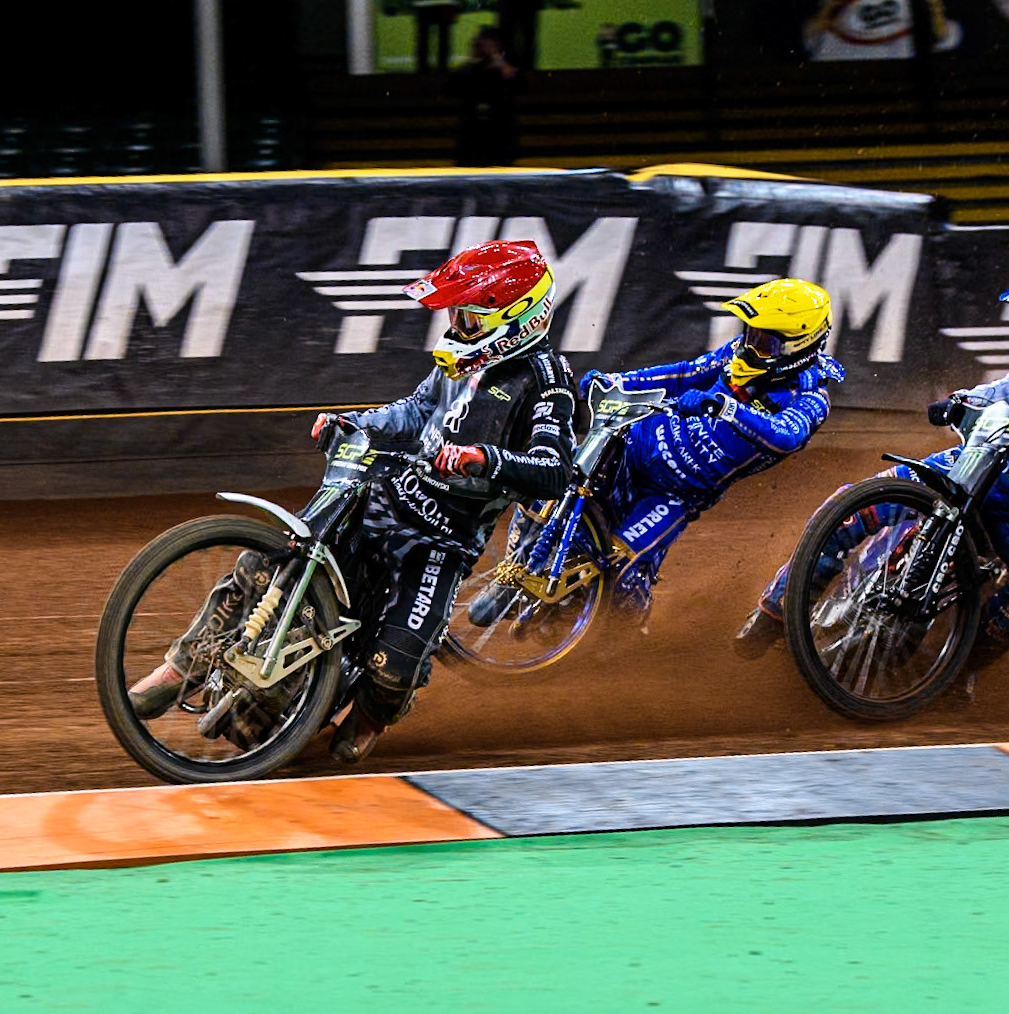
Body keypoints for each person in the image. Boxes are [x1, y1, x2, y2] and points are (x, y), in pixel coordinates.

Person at [130, 240, 577, 764]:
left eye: (468, 316)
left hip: (440, 542)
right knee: (265, 566)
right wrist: (353, 422)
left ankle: (367, 719)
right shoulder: (461, 358)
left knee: (394, 670)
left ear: (518, 318)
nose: (456, 326)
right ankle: (180, 668)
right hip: (381, 498)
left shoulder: (547, 383)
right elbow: (415, 411)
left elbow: (555, 470)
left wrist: (483, 459)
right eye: (455, 315)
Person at [735, 255, 1009, 670]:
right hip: (974, 465)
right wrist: (960, 400)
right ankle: (774, 611)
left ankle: (959, 668)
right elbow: (1006, 388)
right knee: (851, 504)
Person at [472, 278, 843, 629]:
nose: (751, 345)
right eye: (751, 334)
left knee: (620, 575)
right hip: (632, 445)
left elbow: (785, 436)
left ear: (799, 346)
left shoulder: (811, 396)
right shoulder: (737, 354)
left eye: (766, 342)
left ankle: (625, 640)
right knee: (556, 486)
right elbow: (682, 375)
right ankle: (516, 570)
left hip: (674, 494)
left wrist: (727, 408)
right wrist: (618, 381)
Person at [454, 26, 523, 167]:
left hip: (499, 132)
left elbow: (518, 85)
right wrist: (473, 59)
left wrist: (500, 63)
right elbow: (453, 86)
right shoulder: (470, 70)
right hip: (472, 134)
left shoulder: (504, 68)